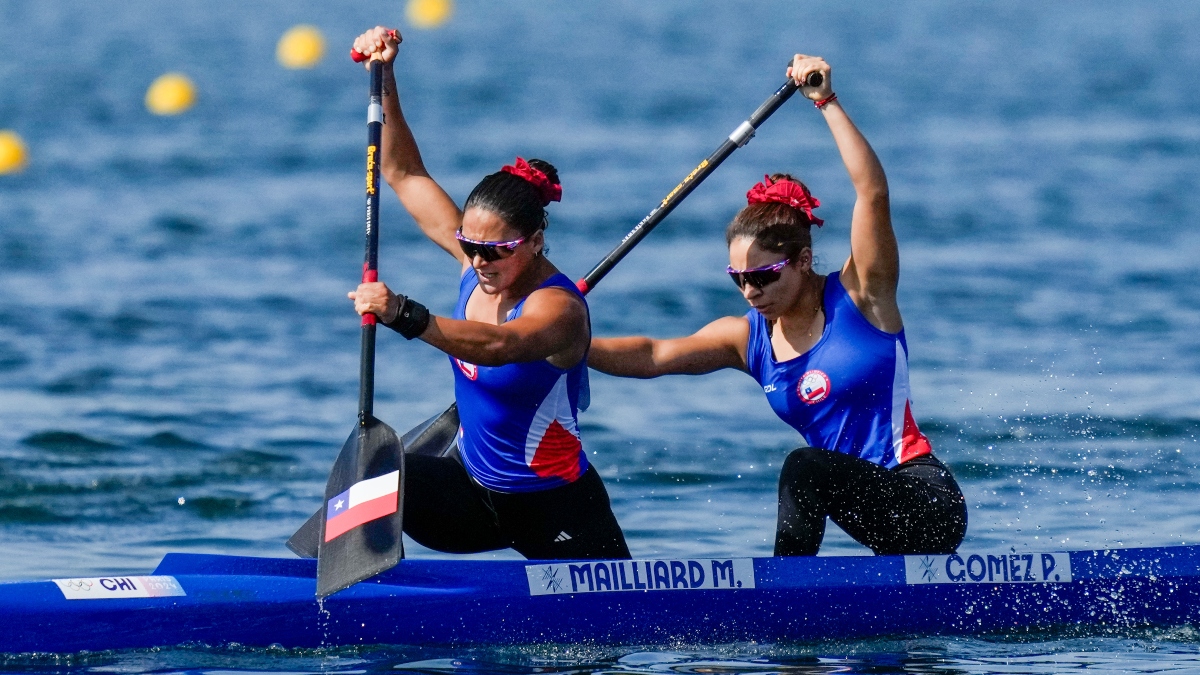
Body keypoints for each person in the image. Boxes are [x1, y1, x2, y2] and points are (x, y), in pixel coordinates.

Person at [588, 54, 967, 557]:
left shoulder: (862, 296)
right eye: (739, 279)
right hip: (866, 508)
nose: (750, 292)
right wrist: (562, 344)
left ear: (803, 260)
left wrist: (826, 102)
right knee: (811, 469)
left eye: (763, 276)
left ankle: (785, 604)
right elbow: (652, 355)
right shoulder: (747, 338)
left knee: (803, 466)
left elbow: (871, 194)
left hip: (924, 499)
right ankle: (796, 602)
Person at [347, 27, 629, 560]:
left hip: (557, 508)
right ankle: (368, 595)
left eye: (496, 249)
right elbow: (404, 174)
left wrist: (405, 314)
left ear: (536, 241)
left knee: (602, 645)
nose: (479, 261)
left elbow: (498, 345)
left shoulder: (560, 308)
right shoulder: (474, 266)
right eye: (469, 246)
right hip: (472, 501)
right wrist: (383, 77)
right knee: (378, 473)